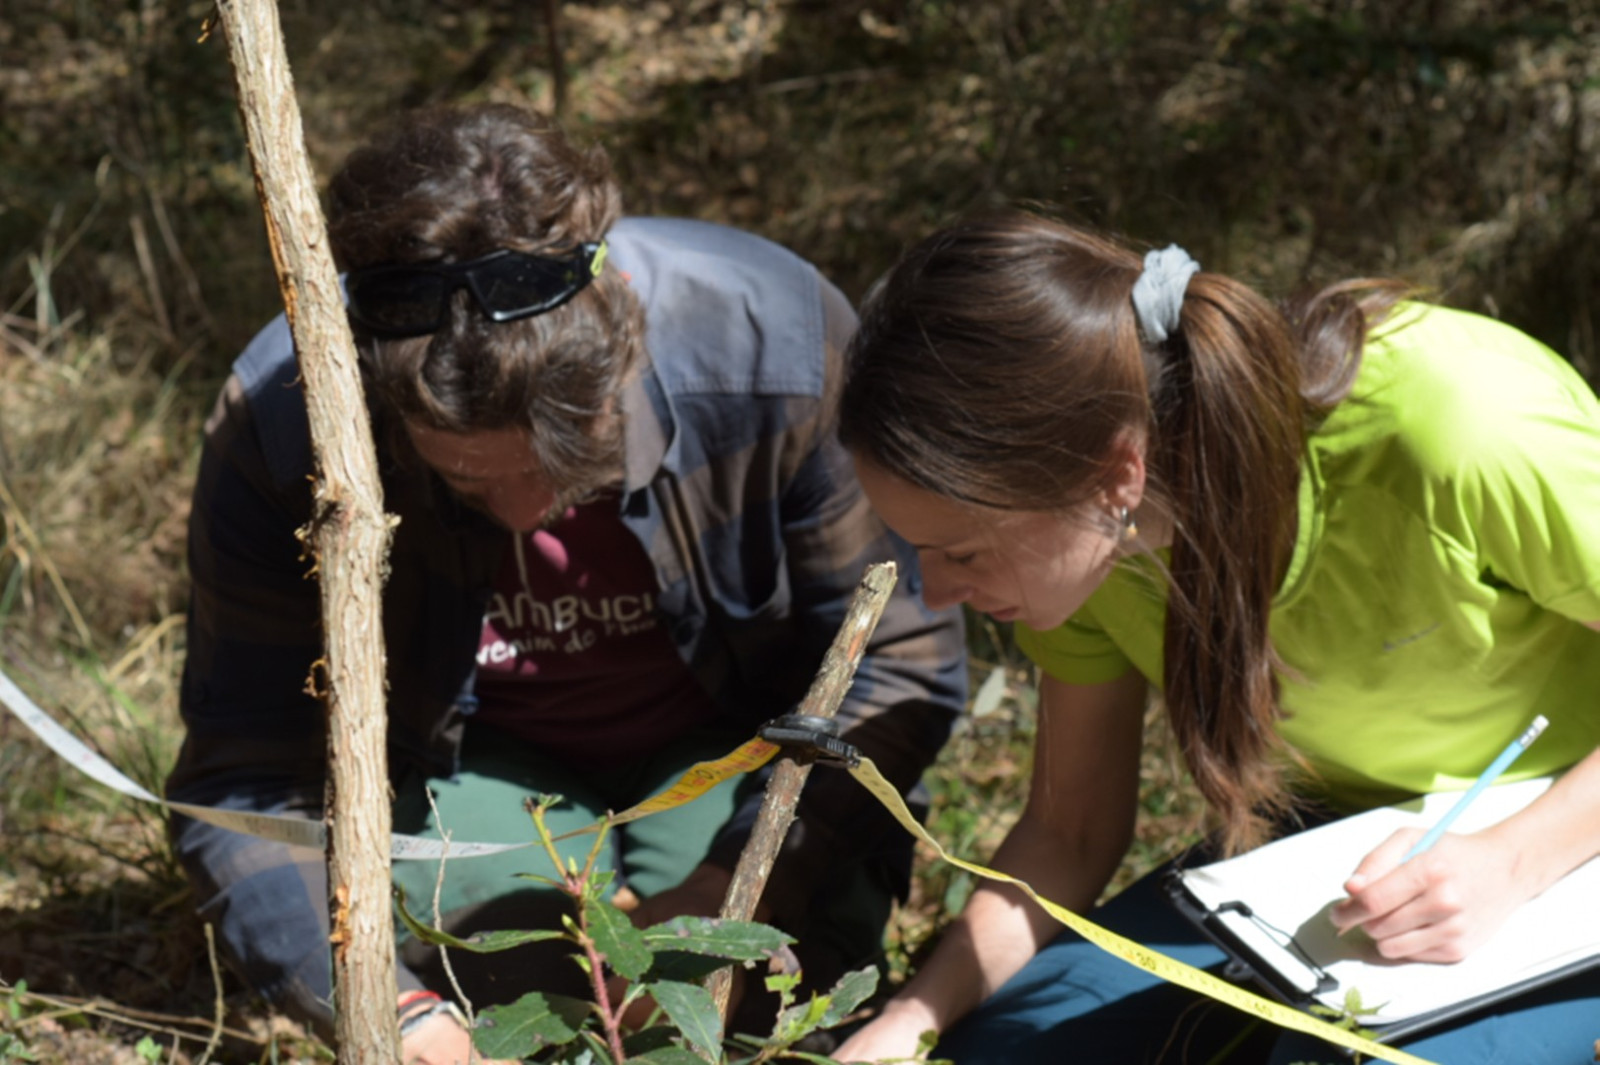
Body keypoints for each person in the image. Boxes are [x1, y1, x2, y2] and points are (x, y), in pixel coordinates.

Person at [165, 103, 966, 1065]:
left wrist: (722, 895)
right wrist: (390, 1009)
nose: (525, 512)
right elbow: (245, 781)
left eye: (567, 462)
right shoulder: (286, 423)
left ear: (624, 339)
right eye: (471, 479)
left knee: (726, 1003)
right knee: (517, 1005)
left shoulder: (776, 348)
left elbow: (898, 666)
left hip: (735, 750)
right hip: (471, 769)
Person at [830, 210, 1600, 1064]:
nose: (939, 593)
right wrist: (908, 1022)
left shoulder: (1460, 425)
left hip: (1567, 842)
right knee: (1010, 1047)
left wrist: (1515, 859)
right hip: (1330, 850)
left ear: (1115, 473)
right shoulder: (1089, 547)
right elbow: (1070, 830)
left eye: (962, 550)